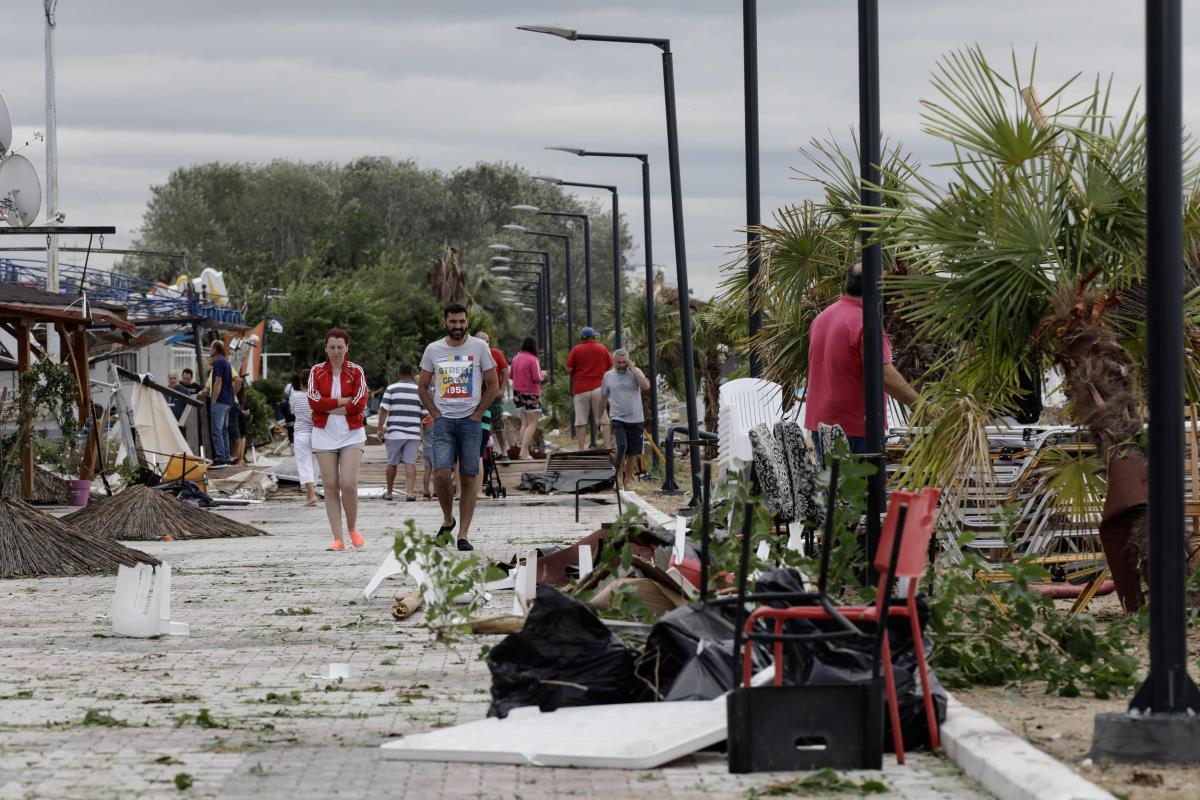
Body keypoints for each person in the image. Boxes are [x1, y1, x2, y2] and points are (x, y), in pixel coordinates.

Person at [805, 261, 920, 461]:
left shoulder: (822, 318)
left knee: (834, 488)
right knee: (862, 490)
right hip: (855, 428)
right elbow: (883, 374)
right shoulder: (866, 324)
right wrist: (920, 405)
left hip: (821, 424)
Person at [418, 303, 498, 551]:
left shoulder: (480, 347)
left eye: (462, 321)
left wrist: (477, 414)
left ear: (467, 322)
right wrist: (435, 413)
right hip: (443, 421)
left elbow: (493, 385)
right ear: (445, 323)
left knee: (469, 475)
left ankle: (463, 534)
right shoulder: (433, 349)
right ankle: (448, 519)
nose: (458, 326)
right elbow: (422, 386)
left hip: (470, 422)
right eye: (453, 322)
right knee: (441, 473)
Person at [308, 328, 369, 552]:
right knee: (331, 486)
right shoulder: (316, 371)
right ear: (325, 348)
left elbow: (360, 403)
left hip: (352, 433)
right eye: (331, 347)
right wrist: (343, 401)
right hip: (323, 435)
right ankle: (338, 538)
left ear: (347, 349)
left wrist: (330, 406)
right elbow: (314, 402)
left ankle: (353, 527)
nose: (336, 351)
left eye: (340, 347)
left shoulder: (356, 371)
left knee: (348, 484)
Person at [601, 349, 651, 488]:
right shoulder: (608, 376)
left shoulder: (636, 372)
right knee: (621, 447)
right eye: (619, 362)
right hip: (618, 417)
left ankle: (628, 479)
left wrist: (634, 370)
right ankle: (618, 475)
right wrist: (600, 415)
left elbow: (646, 386)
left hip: (636, 418)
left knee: (633, 452)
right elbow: (603, 397)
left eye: (624, 362)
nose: (622, 365)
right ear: (614, 361)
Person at [378, 364, 426, 502]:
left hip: (395, 433)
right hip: (413, 433)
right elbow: (424, 415)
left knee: (392, 463)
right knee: (410, 463)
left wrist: (380, 428)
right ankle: (410, 493)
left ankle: (389, 493)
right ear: (411, 374)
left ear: (399, 373)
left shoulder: (391, 389)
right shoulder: (419, 391)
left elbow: (384, 410)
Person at [565, 326, 613, 450]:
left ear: (582, 337)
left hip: (580, 389)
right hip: (599, 388)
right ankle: (608, 446)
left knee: (581, 420)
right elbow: (611, 366)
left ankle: (581, 448)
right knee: (603, 418)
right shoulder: (602, 348)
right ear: (593, 337)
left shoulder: (576, 350)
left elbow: (568, 369)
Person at [509, 336, 546, 460]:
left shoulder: (515, 358)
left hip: (517, 392)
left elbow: (511, 375)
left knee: (524, 422)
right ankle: (524, 452)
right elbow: (536, 378)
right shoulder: (533, 359)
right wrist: (543, 375)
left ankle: (522, 449)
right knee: (532, 423)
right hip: (531, 393)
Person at [475, 331, 509, 461]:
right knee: (482, 425)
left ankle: (504, 452)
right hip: (478, 398)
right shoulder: (473, 355)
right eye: (483, 341)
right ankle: (485, 452)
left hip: (494, 397)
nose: (486, 344)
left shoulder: (495, 353)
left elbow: (505, 370)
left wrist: (502, 389)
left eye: (487, 341)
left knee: (498, 423)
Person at [198, 341, 234, 466]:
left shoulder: (218, 362)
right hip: (228, 401)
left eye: (211, 347)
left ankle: (220, 456)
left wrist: (213, 399)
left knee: (216, 430)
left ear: (215, 349)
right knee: (224, 430)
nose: (210, 350)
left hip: (220, 401)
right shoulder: (226, 361)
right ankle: (227, 456)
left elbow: (218, 381)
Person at [289, 368, 318, 507]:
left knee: (304, 464)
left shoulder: (295, 396)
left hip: (301, 433)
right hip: (318, 433)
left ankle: (311, 494)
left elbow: (293, 411)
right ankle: (311, 493)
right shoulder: (318, 396)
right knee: (314, 463)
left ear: (301, 382)